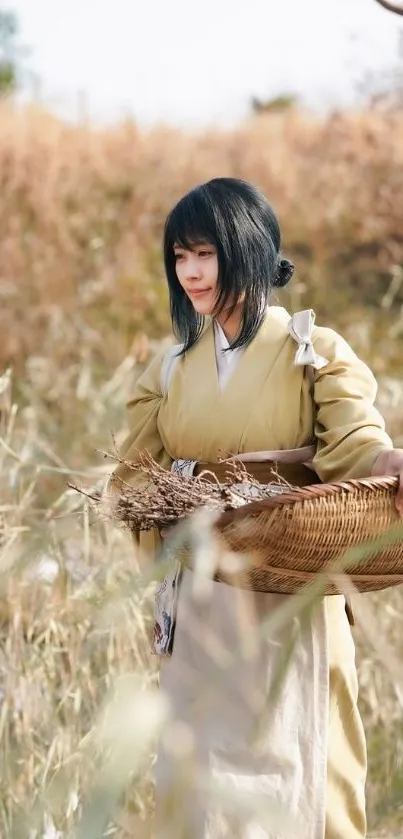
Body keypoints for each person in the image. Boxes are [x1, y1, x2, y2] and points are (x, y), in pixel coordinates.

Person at [109, 178, 403, 839]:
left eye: (204, 253)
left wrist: (387, 463)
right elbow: (135, 484)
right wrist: (154, 575)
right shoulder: (167, 368)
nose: (189, 271)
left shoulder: (312, 349)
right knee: (200, 781)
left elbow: (356, 441)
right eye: (179, 256)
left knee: (312, 770)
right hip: (205, 592)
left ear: (246, 247)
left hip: (295, 586)